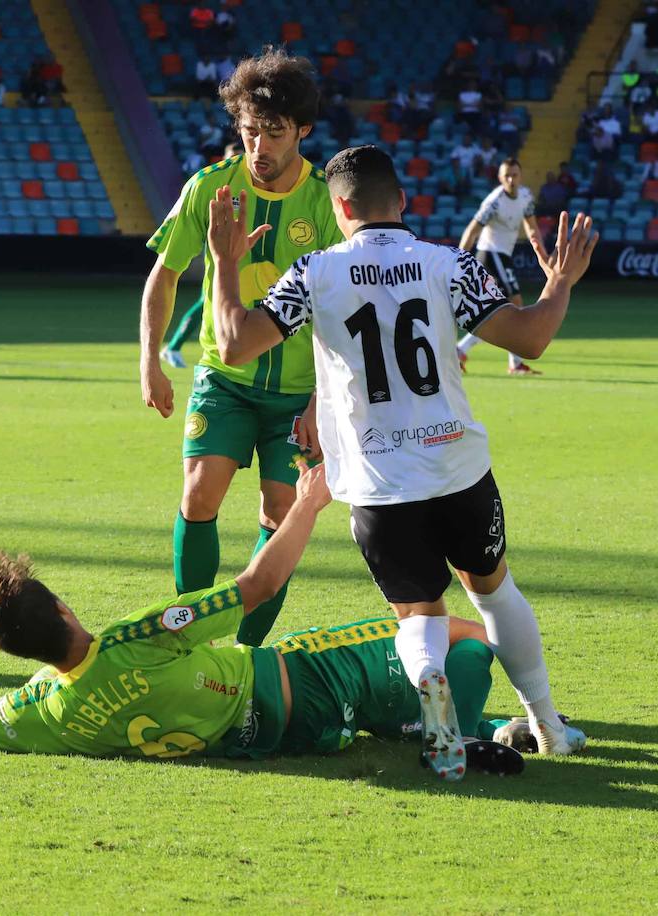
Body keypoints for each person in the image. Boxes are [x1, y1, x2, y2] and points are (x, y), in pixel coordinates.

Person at [202, 144, 594, 778]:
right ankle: (548, 725)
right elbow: (531, 336)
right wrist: (559, 283)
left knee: (418, 615)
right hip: (458, 468)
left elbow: (235, 342)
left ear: (340, 207)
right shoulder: (448, 264)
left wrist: (224, 261)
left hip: (379, 483)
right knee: (493, 590)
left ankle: (433, 685)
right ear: (402, 202)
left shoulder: (315, 272)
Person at [0, 466, 526, 779]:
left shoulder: (44, 708)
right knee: (460, 638)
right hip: (300, 682)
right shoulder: (136, 638)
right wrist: (309, 501)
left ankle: (465, 729)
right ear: (64, 609)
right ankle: (450, 735)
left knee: (404, 684)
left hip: (278, 744)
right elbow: (257, 585)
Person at [139, 48, 345, 650]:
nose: (259, 146)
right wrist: (149, 362)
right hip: (224, 381)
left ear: (303, 130)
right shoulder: (209, 187)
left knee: (281, 515)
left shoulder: (328, 205)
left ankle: (248, 653)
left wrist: (320, 402)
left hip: (298, 396)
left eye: (274, 132)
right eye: (250, 131)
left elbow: (344, 312)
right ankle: (187, 637)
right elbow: (165, 274)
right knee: (199, 492)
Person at [454, 158, 544, 376]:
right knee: (516, 305)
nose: (511, 179)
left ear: (520, 176)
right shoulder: (494, 201)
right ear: (500, 178)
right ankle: (515, 363)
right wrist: (457, 260)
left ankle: (461, 351)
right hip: (490, 254)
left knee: (498, 313)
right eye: (507, 176)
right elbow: (472, 230)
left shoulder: (525, 197)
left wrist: (544, 254)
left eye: (514, 174)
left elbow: (532, 228)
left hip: (503, 256)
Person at [161, 141, 244, 370]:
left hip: (243, 252)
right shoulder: (213, 184)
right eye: (231, 156)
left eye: (239, 155)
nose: (235, 160)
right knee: (206, 300)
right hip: (219, 252)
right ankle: (174, 347)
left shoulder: (248, 185)